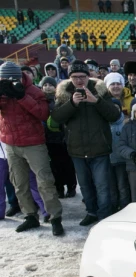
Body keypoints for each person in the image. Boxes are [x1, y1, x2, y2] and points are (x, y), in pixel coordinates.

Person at [51, 60, 121, 226]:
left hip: (99, 148)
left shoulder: (100, 90)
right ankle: (91, 212)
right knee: (85, 186)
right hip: (77, 149)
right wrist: (72, 104)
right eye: (75, 77)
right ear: (70, 78)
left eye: (82, 76)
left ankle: (104, 215)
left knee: (102, 186)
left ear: (88, 76)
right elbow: (56, 118)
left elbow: (114, 116)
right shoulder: (64, 93)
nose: (79, 80)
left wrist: (96, 101)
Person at [0, 62, 64, 235]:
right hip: (11, 143)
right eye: (4, 78)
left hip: (33, 143)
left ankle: (55, 217)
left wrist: (21, 96)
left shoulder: (34, 91)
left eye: (11, 78)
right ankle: (30, 216)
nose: (7, 81)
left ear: (20, 76)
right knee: (19, 183)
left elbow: (42, 114)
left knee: (45, 181)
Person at [40, 76, 76, 199]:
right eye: (45, 85)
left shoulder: (61, 99)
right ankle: (59, 188)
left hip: (63, 138)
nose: (47, 87)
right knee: (54, 167)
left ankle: (71, 187)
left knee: (68, 164)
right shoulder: (41, 101)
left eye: (50, 85)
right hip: (49, 139)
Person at [107, 98, 130, 211]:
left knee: (122, 186)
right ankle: (113, 206)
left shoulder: (125, 123)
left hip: (122, 160)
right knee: (111, 187)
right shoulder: (105, 123)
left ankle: (124, 207)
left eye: (116, 109)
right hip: (108, 160)